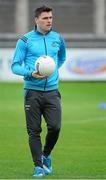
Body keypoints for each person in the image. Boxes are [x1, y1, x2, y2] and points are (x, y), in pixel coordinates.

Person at [11, 5, 66, 177]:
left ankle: (46, 155)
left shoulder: (58, 38)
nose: (49, 21)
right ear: (36, 20)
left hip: (52, 91)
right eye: (45, 18)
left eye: (50, 18)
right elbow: (14, 66)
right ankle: (38, 166)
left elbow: (62, 58)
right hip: (32, 92)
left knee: (55, 127)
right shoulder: (25, 40)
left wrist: (51, 72)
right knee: (34, 131)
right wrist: (30, 73)